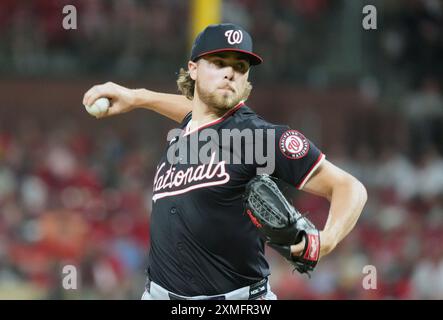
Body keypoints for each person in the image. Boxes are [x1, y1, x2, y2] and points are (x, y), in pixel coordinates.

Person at [83, 23, 367, 300]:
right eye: (218, 63)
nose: (230, 72)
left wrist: (326, 240)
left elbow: (349, 187)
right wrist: (137, 97)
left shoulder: (258, 136)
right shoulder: (189, 126)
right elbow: (195, 111)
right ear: (193, 69)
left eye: (240, 67)